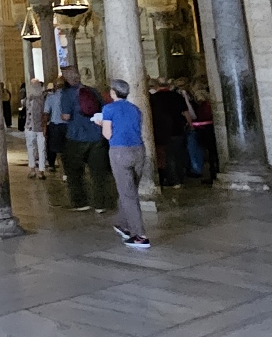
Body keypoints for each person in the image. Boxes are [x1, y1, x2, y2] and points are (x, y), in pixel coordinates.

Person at [99, 79, 150, 249]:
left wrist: (101, 123)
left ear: (113, 92)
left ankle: (139, 236)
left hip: (120, 151)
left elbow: (107, 134)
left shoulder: (109, 109)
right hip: (138, 150)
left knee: (128, 194)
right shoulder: (135, 109)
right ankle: (123, 223)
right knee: (129, 189)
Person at [59, 66, 111, 212]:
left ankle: (80, 202)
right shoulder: (93, 91)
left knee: (74, 172)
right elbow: (103, 110)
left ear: (67, 78)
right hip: (96, 136)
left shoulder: (67, 94)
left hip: (76, 136)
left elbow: (66, 116)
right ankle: (100, 204)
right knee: (98, 172)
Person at [151, 79, 190, 188]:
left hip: (161, 131)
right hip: (177, 128)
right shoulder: (177, 96)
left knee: (167, 156)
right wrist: (190, 124)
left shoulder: (153, 98)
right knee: (178, 154)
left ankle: (172, 179)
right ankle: (180, 178)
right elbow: (186, 112)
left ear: (157, 86)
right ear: (169, 86)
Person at [23, 78, 47, 179]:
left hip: (37, 127)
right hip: (33, 126)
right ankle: (35, 169)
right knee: (35, 148)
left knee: (38, 148)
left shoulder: (41, 98)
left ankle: (38, 170)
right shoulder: (35, 98)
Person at [44, 77, 66, 173]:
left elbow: (46, 113)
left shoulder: (51, 97)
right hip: (67, 125)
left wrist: (44, 126)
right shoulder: (70, 96)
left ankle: (51, 164)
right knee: (66, 147)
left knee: (52, 146)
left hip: (55, 125)